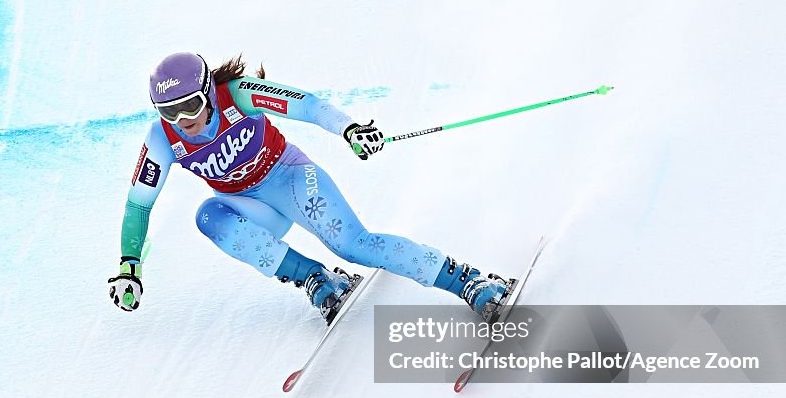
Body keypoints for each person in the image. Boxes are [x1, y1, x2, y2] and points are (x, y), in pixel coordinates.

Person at [108, 53, 513, 322]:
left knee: (354, 245)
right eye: (169, 111)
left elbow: (307, 104)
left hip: (291, 179)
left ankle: (467, 280)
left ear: (210, 95)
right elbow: (138, 205)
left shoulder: (240, 95)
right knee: (209, 216)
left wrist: (349, 129)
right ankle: (315, 278)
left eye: (191, 106)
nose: (183, 119)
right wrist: (130, 265)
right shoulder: (162, 138)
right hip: (251, 207)